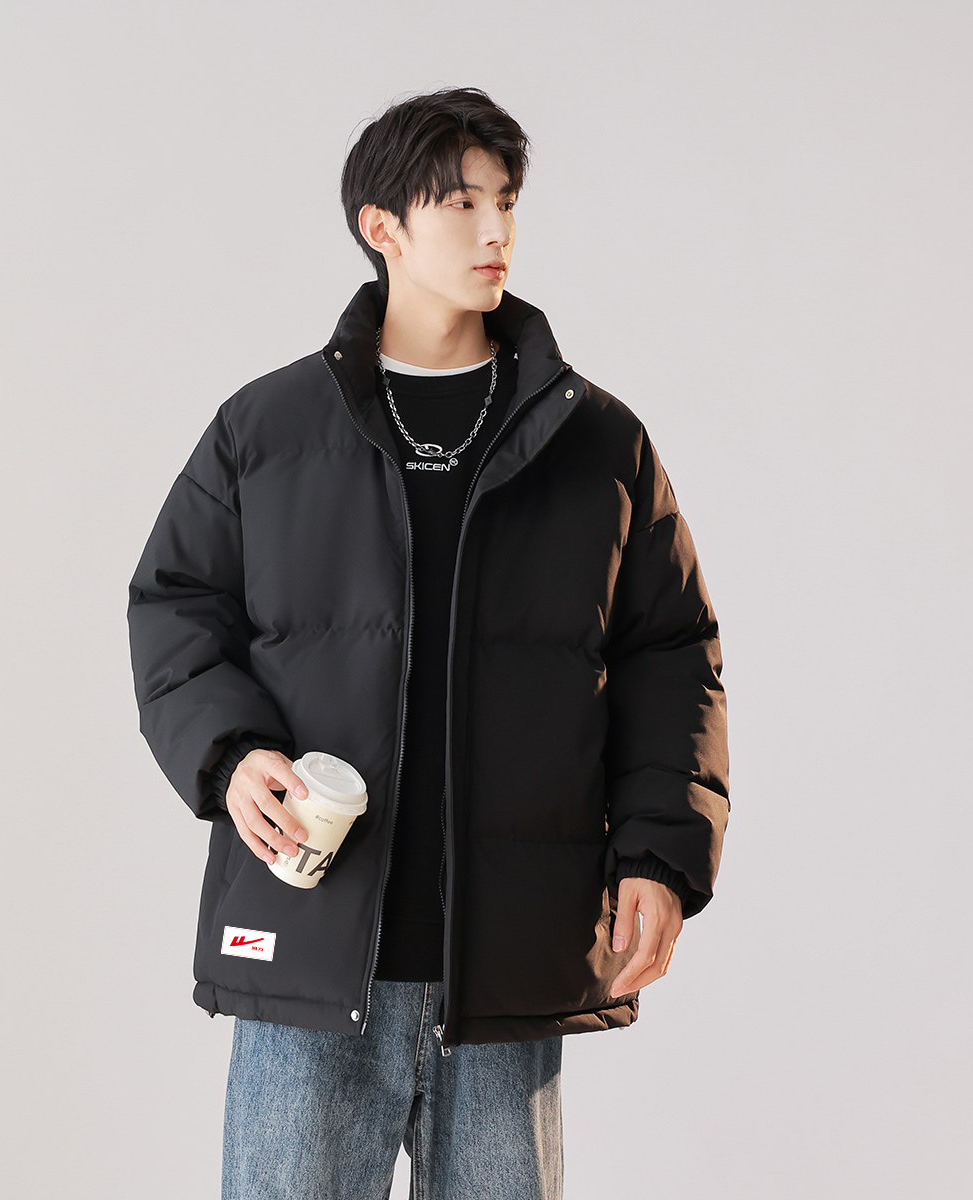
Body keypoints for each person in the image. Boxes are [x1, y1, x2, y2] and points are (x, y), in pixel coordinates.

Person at [127, 86, 729, 1200]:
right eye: (461, 203)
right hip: (309, 944)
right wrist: (231, 754)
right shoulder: (268, 429)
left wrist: (659, 854)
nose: (496, 229)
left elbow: (672, 654)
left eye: (507, 202)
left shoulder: (595, 440)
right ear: (382, 227)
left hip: (507, 969)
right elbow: (175, 607)